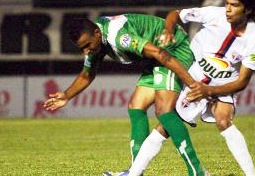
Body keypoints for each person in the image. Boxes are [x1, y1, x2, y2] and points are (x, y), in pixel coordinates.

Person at [123, 0, 255, 176]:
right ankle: (134, 173)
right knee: (165, 126)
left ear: (247, 9)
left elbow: (242, 82)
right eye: (227, 3)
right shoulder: (214, 14)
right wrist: (169, 30)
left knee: (223, 120)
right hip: (194, 76)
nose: (228, 9)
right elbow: (176, 14)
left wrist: (209, 91)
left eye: (234, 5)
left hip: (222, 83)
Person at [43, 13, 207, 175]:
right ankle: (136, 172)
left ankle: (197, 171)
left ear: (97, 33)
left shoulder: (119, 37)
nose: (86, 52)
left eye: (87, 46)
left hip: (173, 50)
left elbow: (160, 53)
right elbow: (87, 74)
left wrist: (192, 84)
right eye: (82, 49)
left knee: (163, 111)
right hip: (155, 59)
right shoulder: (96, 42)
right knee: (136, 107)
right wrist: (66, 95)